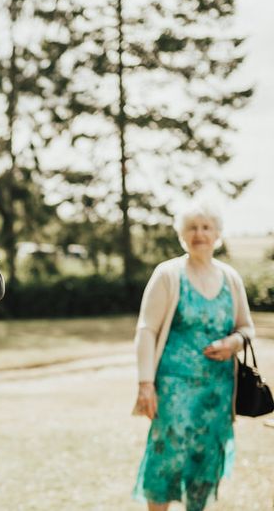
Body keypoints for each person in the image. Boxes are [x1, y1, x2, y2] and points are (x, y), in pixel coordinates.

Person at [132, 201, 255, 510]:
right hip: (174, 390)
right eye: (192, 227)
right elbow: (146, 329)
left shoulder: (231, 278)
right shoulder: (168, 274)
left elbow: (247, 329)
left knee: (205, 464)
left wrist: (233, 343)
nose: (199, 234)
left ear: (217, 234)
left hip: (217, 392)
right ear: (182, 235)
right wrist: (145, 383)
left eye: (206, 227)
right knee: (165, 462)